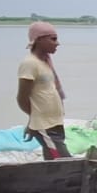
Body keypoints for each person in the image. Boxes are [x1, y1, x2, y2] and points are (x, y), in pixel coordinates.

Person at [16, 21, 70, 159]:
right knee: (63, 160)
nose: (57, 43)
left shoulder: (45, 62)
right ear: (39, 40)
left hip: (55, 122)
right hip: (44, 125)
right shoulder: (30, 63)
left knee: (53, 159)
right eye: (53, 39)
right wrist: (35, 119)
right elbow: (22, 98)